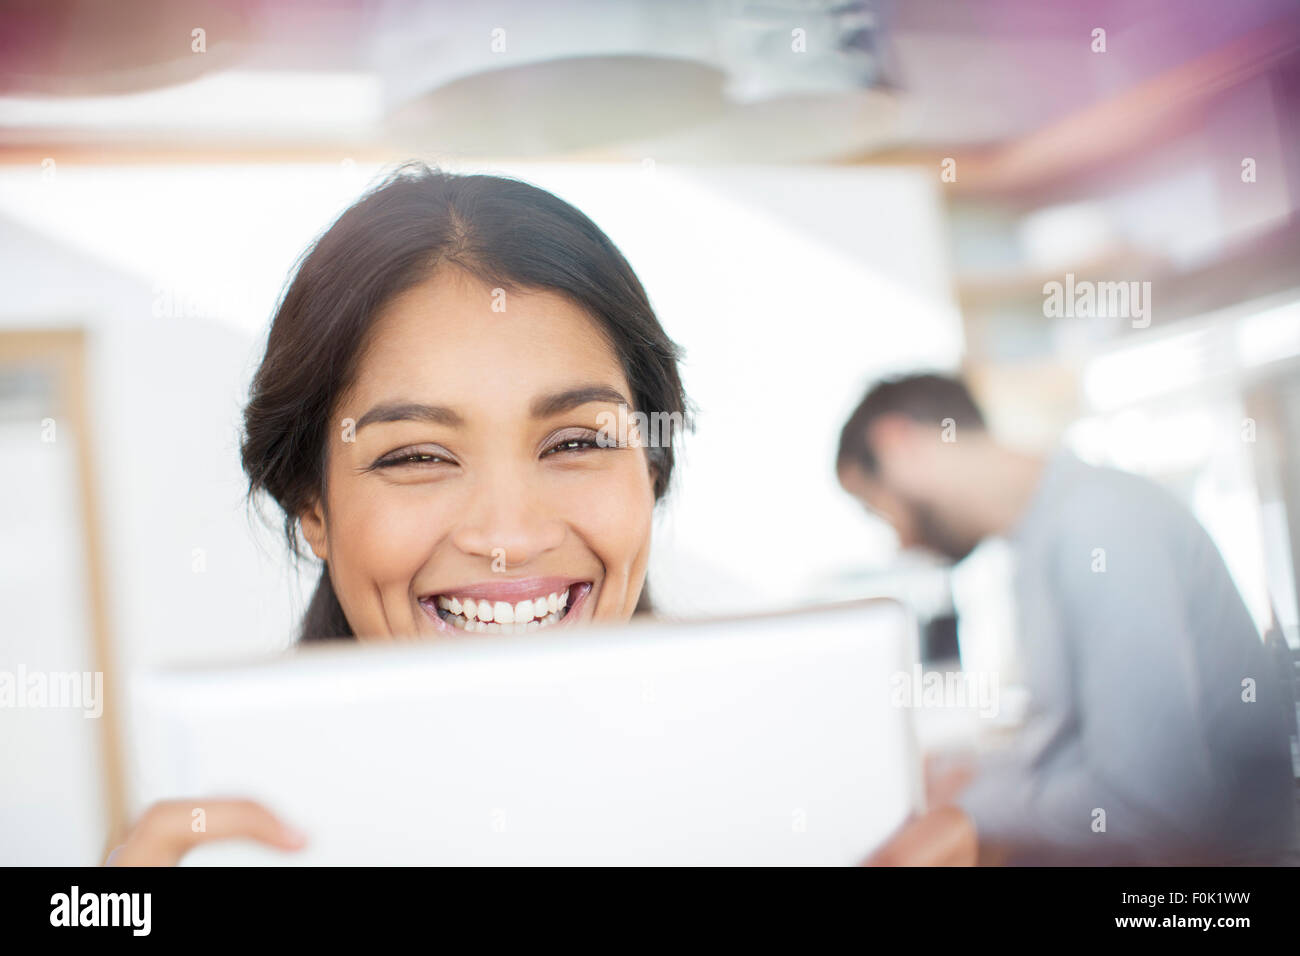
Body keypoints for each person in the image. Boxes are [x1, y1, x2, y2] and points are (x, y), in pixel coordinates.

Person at [106, 165, 973, 865]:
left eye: (574, 443)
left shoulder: (806, 813)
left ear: (653, 467)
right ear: (314, 509)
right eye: (415, 456)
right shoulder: (224, 853)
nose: (510, 537)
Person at [836, 373, 1296, 864]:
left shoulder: (1096, 523)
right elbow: (1073, 747)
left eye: (874, 507)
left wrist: (966, 809)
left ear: (899, 443)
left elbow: (1148, 805)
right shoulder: (1042, 535)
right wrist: (970, 773)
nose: (900, 541)